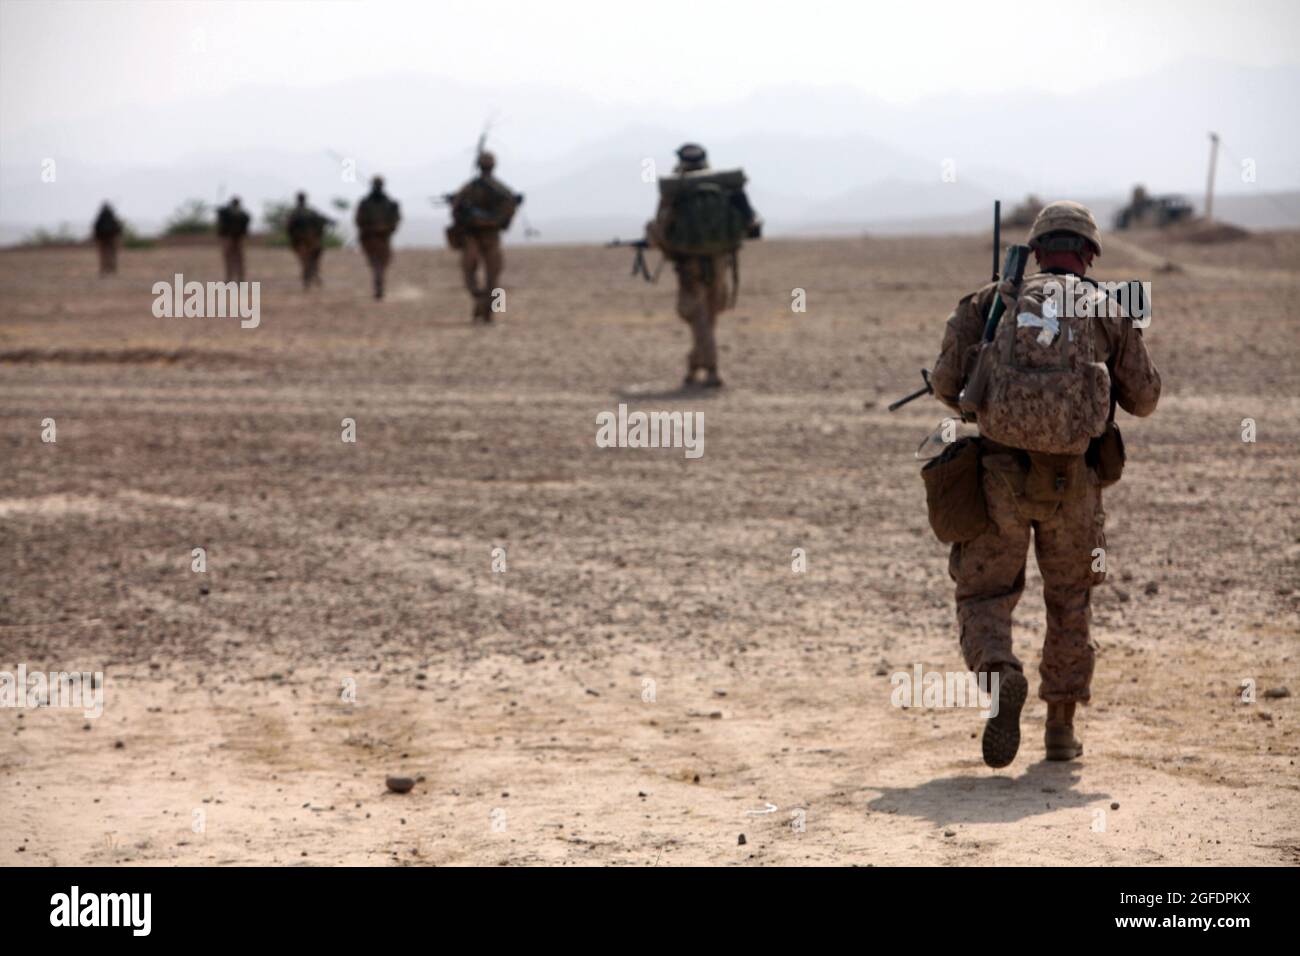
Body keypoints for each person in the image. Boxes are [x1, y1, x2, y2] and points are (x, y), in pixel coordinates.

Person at [930, 200, 1162, 768]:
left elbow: (945, 384)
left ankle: (999, 673)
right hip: (1074, 482)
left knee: (985, 593)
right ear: (1088, 253)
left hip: (998, 476)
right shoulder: (1108, 308)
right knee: (1070, 599)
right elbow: (1145, 399)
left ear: (1035, 252)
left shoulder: (988, 302)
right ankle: (1060, 727)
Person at [646, 143, 760, 388]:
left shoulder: (675, 190)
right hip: (719, 260)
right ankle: (695, 365)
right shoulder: (726, 186)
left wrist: (661, 244)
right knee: (709, 315)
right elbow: (750, 223)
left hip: (688, 263)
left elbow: (660, 227)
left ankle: (711, 369)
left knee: (697, 315)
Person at [446, 151, 521, 322]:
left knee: (482, 273)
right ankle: (488, 308)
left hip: (485, 236)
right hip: (478, 236)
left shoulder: (480, 188)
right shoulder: (481, 188)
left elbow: (456, 211)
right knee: (489, 274)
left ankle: (489, 309)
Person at [354, 176, 401, 299]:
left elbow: (359, 221)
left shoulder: (387, 203)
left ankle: (378, 286)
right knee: (378, 264)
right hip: (375, 238)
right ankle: (379, 286)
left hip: (377, 238)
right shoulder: (388, 203)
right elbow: (360, 221)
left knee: (378, 264)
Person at [286, 192, 329, 289]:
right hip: (312, 239)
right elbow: (320, 224)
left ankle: (309, 278)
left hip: (299, 240)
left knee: (305, 260)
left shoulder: (295, 212)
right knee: (312, 260)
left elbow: (289, 228)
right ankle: (313, 276)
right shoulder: (311, 211)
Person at [216, 197, 251, 282]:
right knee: (234, 259)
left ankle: (237, 278)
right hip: (233, 238)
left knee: (235, 259)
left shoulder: (239, 214)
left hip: (234, 238)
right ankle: (233, 278)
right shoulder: (239, 213)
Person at [92, 202, 123, 275]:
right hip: (112, 238)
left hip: (102, 239)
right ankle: (112, 270)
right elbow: (118, 228)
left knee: (103, 255)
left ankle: (103, 269)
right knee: (112, 254)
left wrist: (97, 238)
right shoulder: (112, 216)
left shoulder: (100, 217)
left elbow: (96, 227)